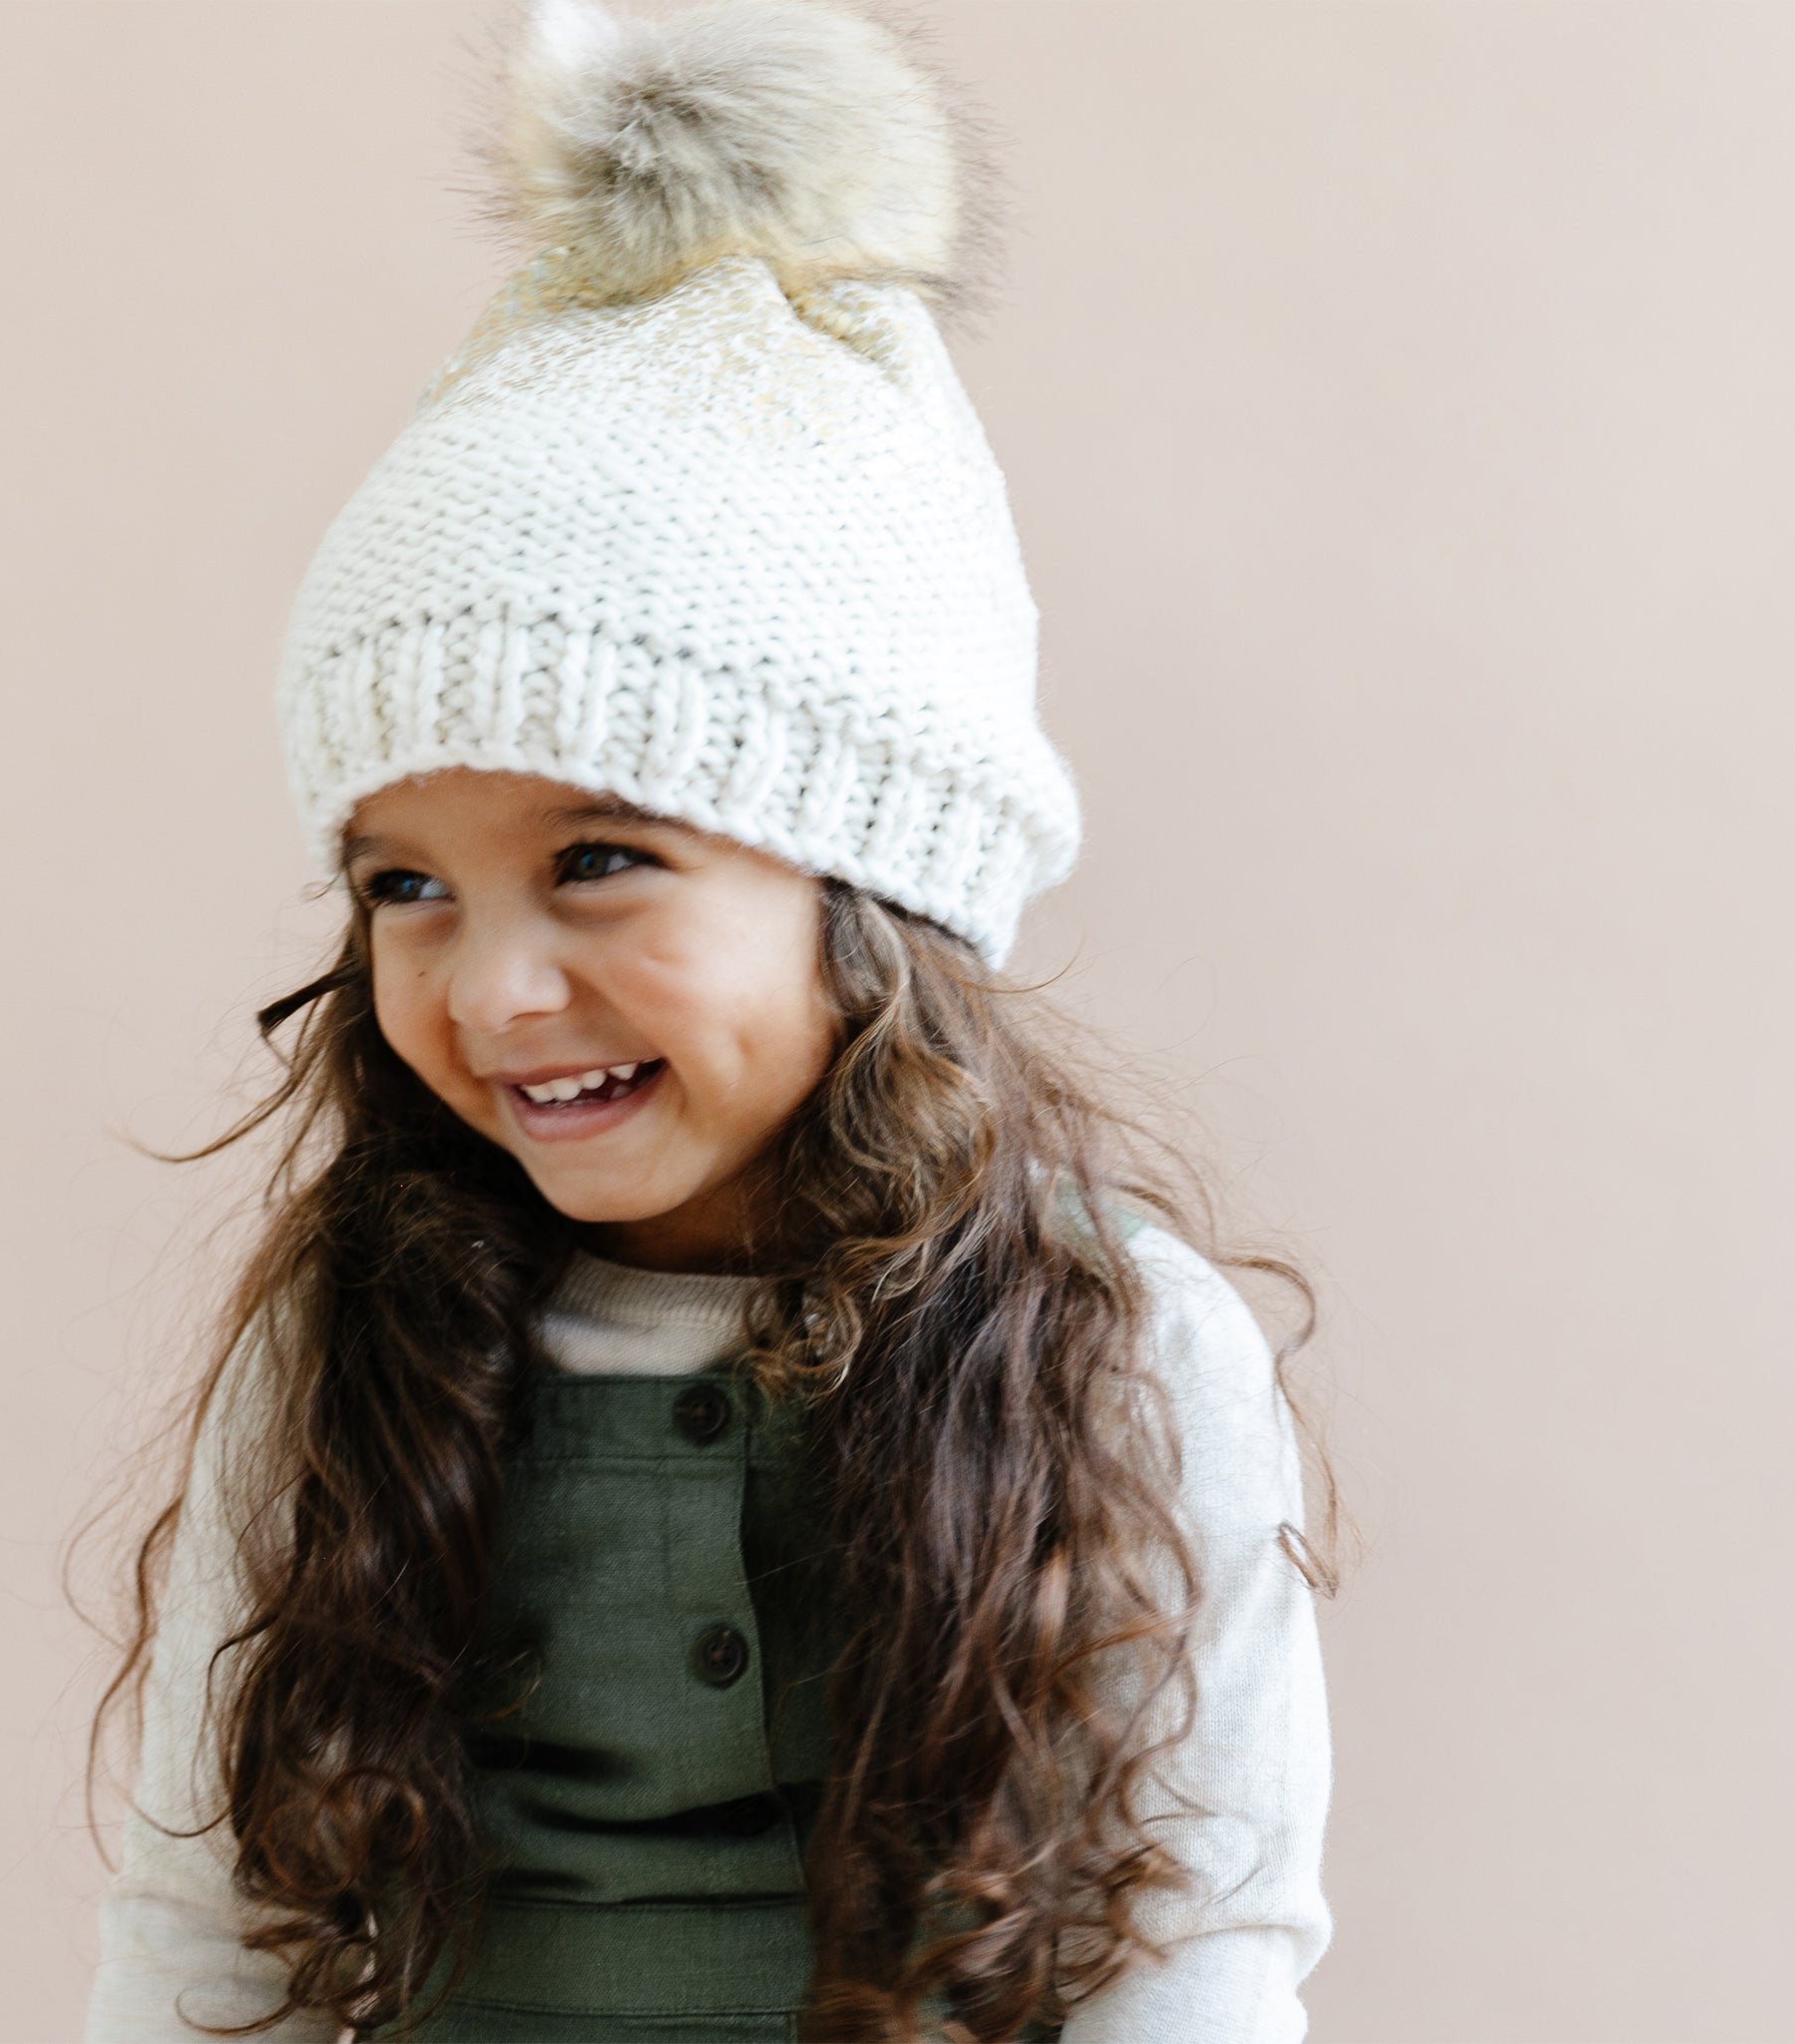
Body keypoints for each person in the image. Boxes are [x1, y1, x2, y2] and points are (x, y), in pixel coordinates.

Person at [81, 2, 1338, 2038]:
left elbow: (1191, 1951)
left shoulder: (1117, 1348)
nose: (489, 987)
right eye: (406, 884)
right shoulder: (358, 1347)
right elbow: (195, 1932)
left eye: (598, 859)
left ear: (860, 882)